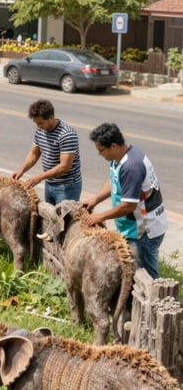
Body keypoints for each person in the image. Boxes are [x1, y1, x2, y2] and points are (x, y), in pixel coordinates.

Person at [82, 123, 167, 278]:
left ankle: (156, 301)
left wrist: (99, 217)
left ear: (113, 146)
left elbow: (128, 205)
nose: (99, 154)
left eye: (101, 150)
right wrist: (95, 199)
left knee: (146, 278)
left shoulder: (131, 166)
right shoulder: (119, 158)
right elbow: (114, 182)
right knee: (134, 275)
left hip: (144, 232)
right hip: (132, 229)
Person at [11, 99, 81, 205]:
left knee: (64, 220)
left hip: (67, 187)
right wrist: (21, 170)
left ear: (51, 118)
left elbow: (65, 166)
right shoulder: (40, 130)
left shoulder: (66, 134)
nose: (38, 126)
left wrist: (39, 177)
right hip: (50, 184)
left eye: (40, 123)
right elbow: (34, 154)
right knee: (50, 219)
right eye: (36, 123)